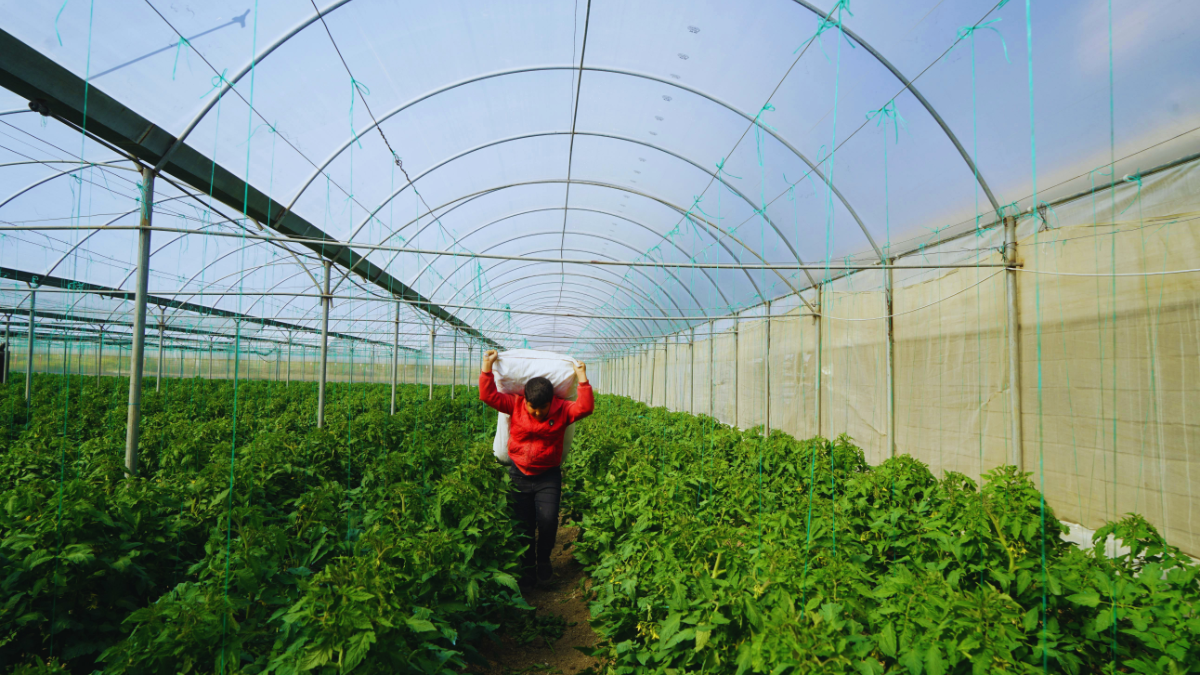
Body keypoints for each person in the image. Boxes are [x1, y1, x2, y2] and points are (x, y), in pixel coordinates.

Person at [478, 349, 593, 586]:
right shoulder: (515, 404)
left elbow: (584, 408)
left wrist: (582, 378)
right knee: (524, 524)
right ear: (526, 400)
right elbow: (488, 396)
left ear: (552, 402)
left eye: (543, 408)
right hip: (519, 473)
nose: (538, 413)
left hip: (548, 476)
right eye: (533, 407)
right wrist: (486, 368)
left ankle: (544, 562)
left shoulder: (562, 410)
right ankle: (528, 567)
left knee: (549, 520)